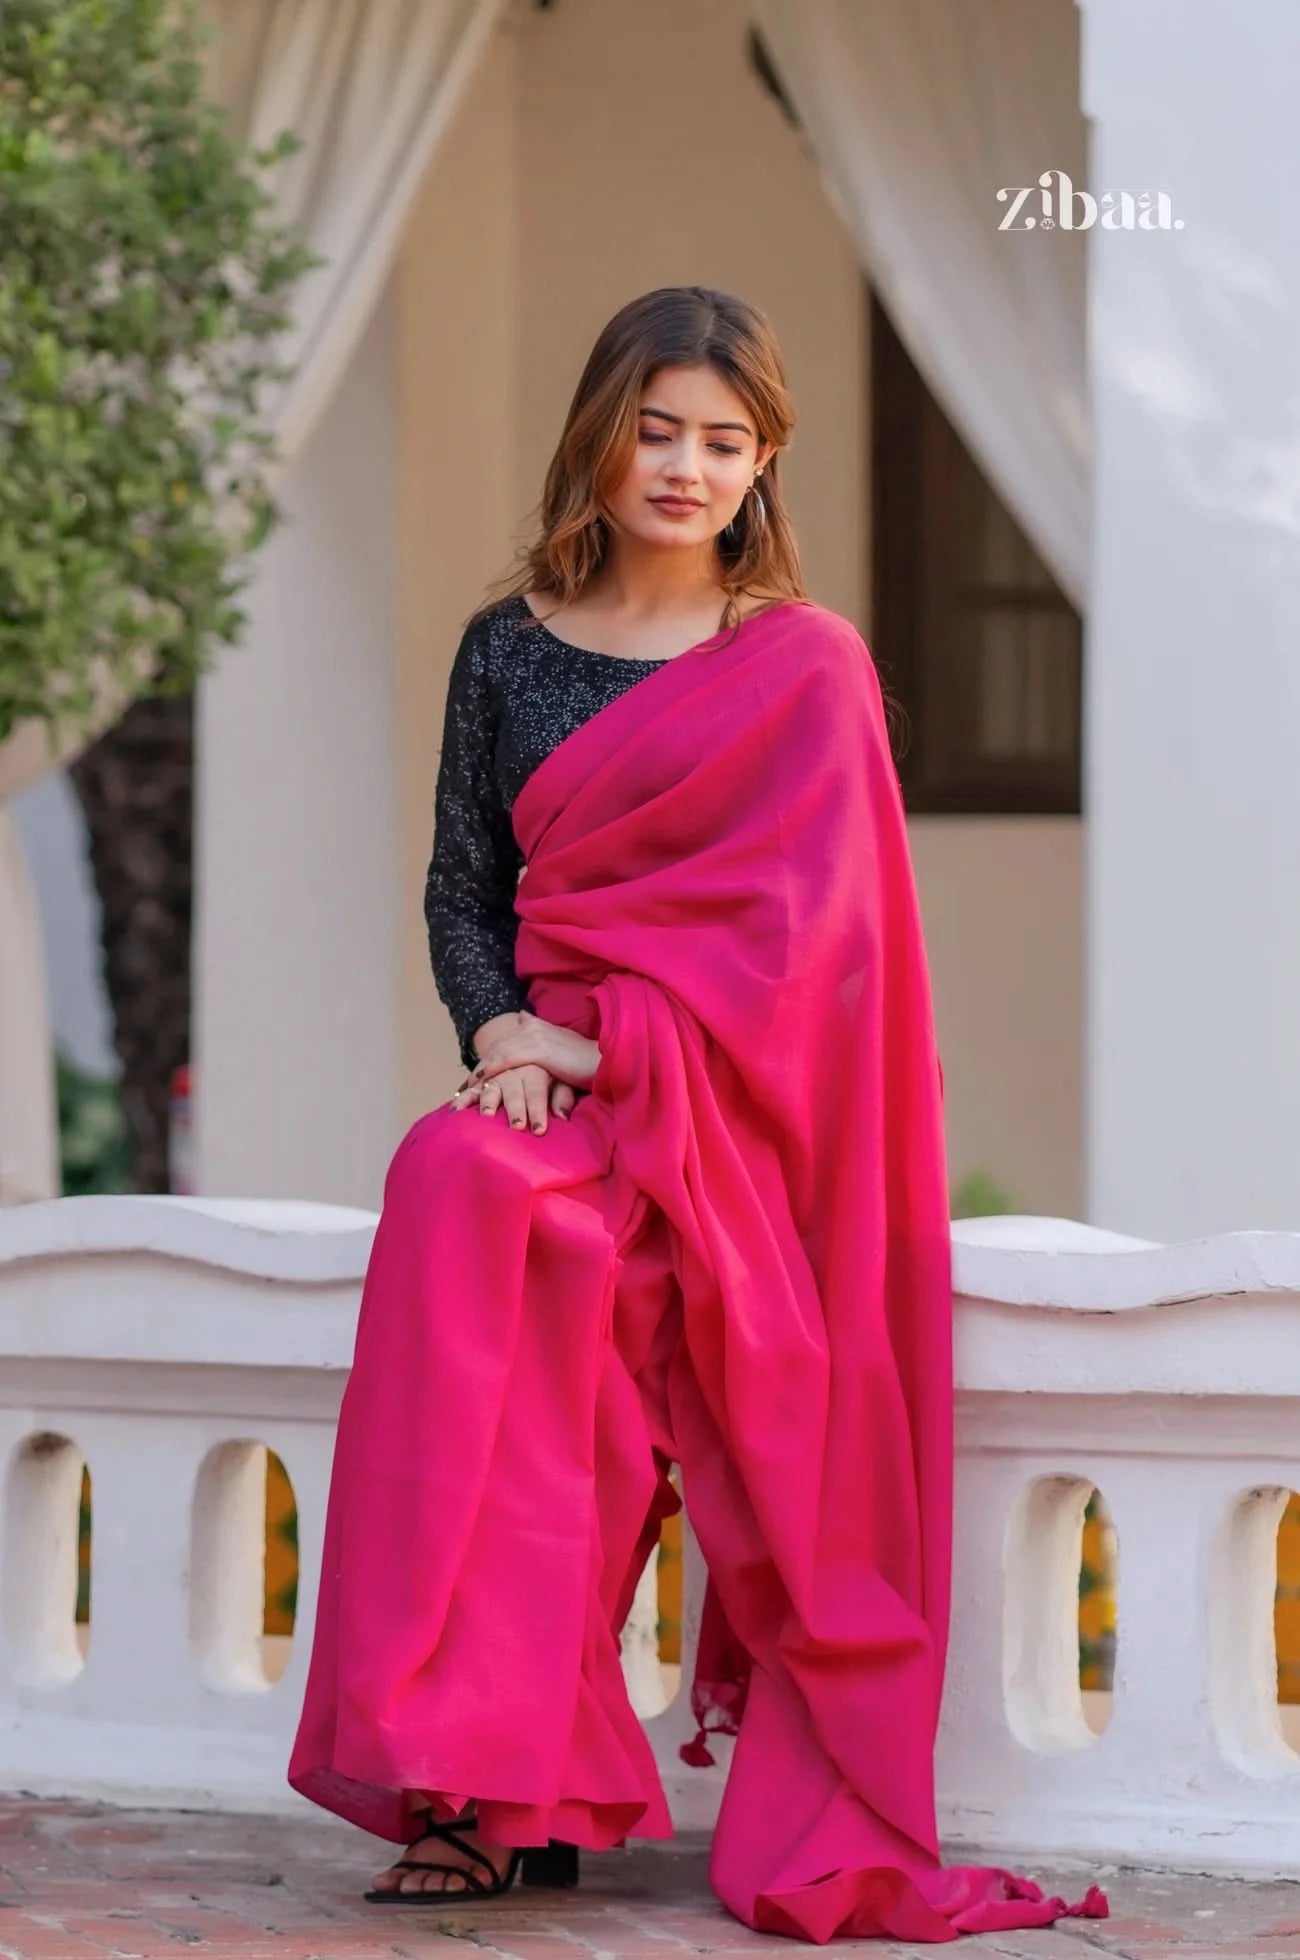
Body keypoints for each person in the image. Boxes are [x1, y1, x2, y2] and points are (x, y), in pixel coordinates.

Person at [287, 286, 1106, 1943]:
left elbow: (827, 957)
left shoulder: (801, 667)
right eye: (655, 430)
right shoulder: (507, 645)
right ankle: (471, 1774)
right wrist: (507, 1025)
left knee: (571, 1297)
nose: (683, 467)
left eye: (722, 442)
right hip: (557, 1078)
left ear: (763, 467)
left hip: (736, 1118)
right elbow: (466, 887)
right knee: (460, 1187)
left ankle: (519, 1781)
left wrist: (616, 1053)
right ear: (598, 436)